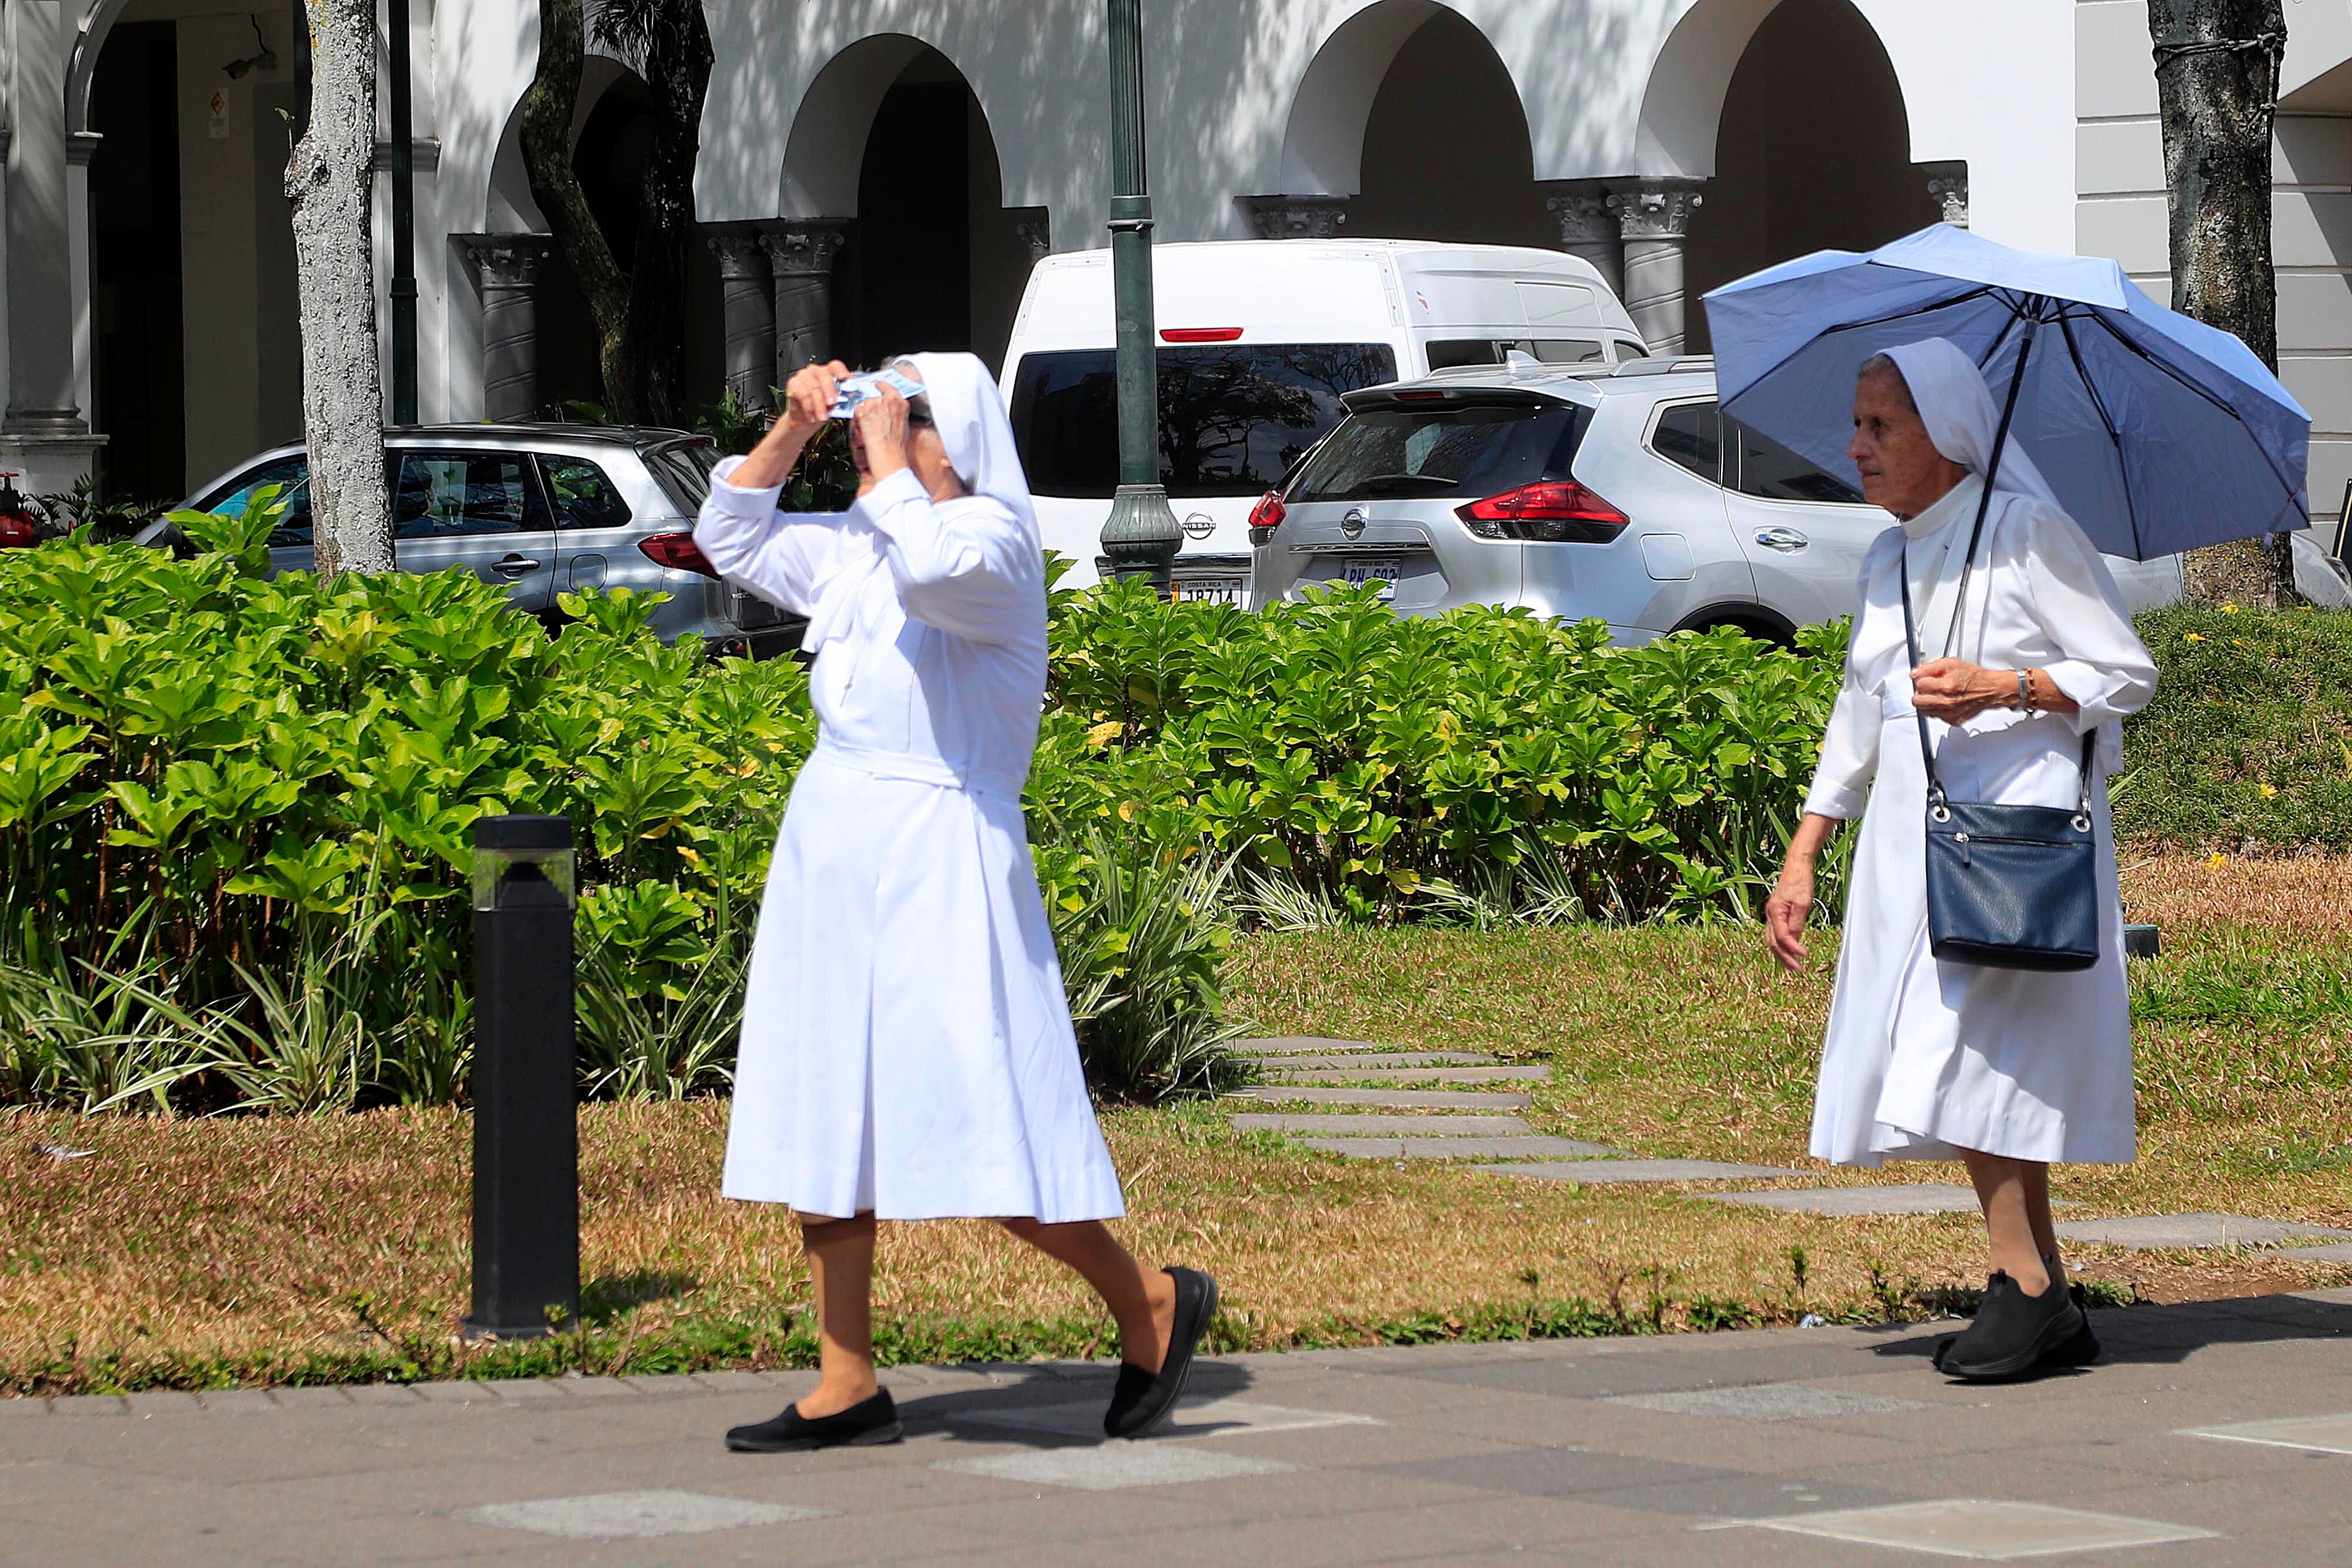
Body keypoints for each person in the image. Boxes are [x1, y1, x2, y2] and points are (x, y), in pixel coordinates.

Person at [694, 352, 1217, 1450]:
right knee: (826, 1110)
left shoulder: (992, 543)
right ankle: (846, 1378)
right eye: (879, 416)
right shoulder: (865, 539)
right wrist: (793, 430)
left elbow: (933, 573)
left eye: (910, 417)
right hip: (835, 846)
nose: (881, 430)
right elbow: (728, 538)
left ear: (962, 438)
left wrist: (888, 468)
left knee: (980, 1115)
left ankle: (1150, 1302)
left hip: (942, 855)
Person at [1763, 337, 2157, 1382]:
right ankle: (2049, 1293)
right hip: (1910, 845)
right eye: (1857, 424)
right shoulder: (1886, 557)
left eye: (1879, 426)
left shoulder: (2028, 533)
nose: (1856, 447)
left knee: (1962, 1054)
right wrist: (1804, 853)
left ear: (1945, 432)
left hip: (2014, 842)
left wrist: (2004, 687)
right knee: (1977, 1060)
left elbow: (2126, 673)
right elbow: (1860, 711)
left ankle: (2020, 1285)